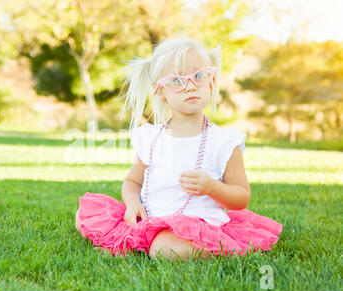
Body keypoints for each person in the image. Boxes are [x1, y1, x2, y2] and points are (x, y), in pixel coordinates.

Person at [75, 38, 282, 260]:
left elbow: (241, 197)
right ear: (161, 92)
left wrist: (212, 187)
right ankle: (143, 240)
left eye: (199, 76)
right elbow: (132, 182)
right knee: (83, 215)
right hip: (150, 217)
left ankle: (214, 248)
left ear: (211, 83)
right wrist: (133, 204)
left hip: (197, 225)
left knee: (164, 248)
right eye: (176, 80)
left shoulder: (223, 142)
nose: (191, 85)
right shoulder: (150, 137)